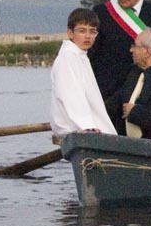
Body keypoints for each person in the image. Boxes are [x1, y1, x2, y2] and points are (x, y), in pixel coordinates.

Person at [50, 8, 117, 142]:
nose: (87, 36)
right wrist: (87, 126)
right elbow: (71, 95)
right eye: (82, 31)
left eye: (92, 32)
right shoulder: (68, 58)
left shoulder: (80, 56)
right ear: (70, 33)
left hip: (90, 129)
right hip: (80, 131)